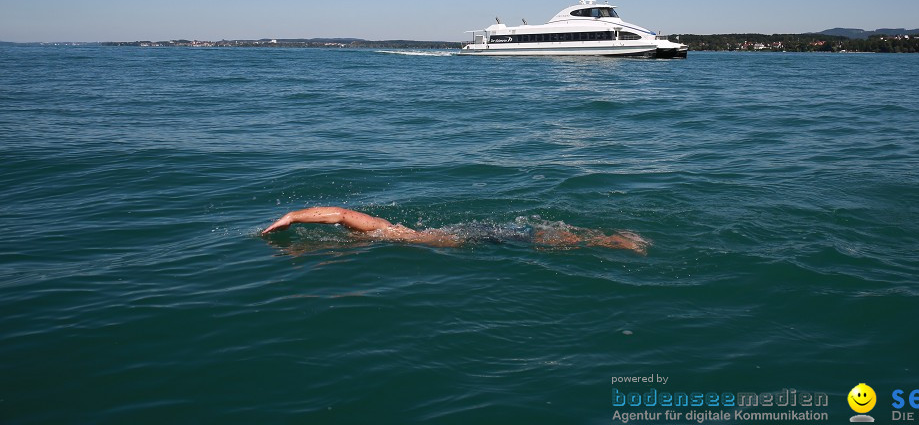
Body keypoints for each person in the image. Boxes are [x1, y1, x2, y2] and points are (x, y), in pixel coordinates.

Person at [261, 206, 649, 254]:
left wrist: (293, 217)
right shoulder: (388, 229)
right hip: (471, 230)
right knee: (541, 236)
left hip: (470, 236)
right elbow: (341, 217)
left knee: (544, 242)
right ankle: (613, 238)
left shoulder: (385, 233)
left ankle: (615, 241)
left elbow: (342, 214)